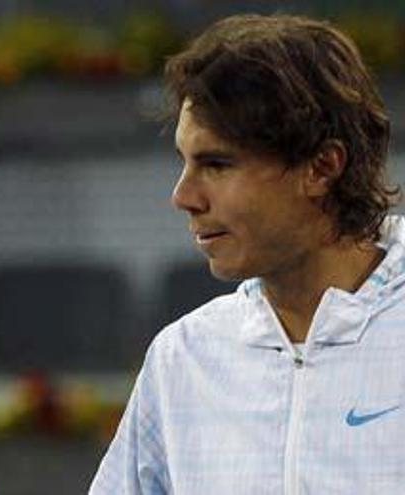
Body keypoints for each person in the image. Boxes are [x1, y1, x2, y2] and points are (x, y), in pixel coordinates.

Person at [90, 13, 404, 494]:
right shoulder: (182, 360)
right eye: (184, 162)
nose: (184, 195)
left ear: (321, 167)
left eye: (216, 164)